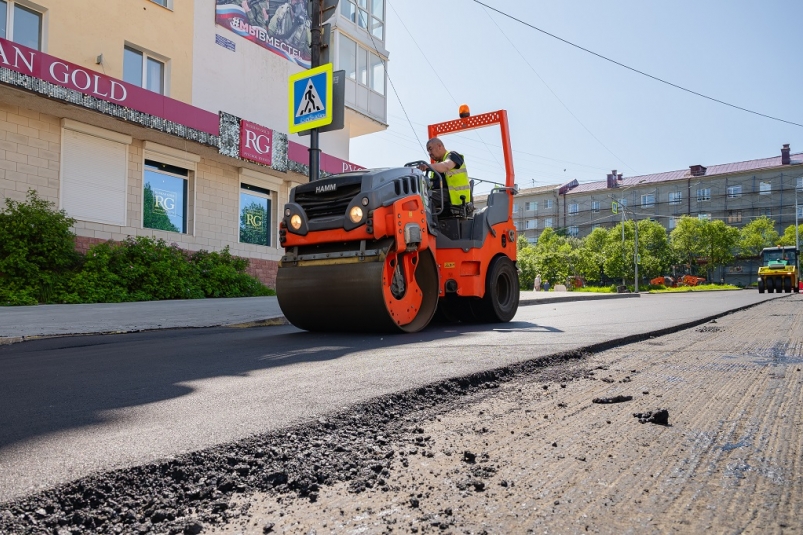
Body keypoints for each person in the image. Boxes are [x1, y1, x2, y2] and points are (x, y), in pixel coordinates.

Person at [418, 137, 471, 217]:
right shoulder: (436, 166)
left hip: (455, 196)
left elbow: (446, 166)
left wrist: (427, 166)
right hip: (443, 195)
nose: (430, 153)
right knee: (420, 195)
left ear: (439, 146)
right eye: (428, 151)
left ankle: (432, 226)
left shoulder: (453, 155)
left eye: (430, 149)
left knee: (426, 198)